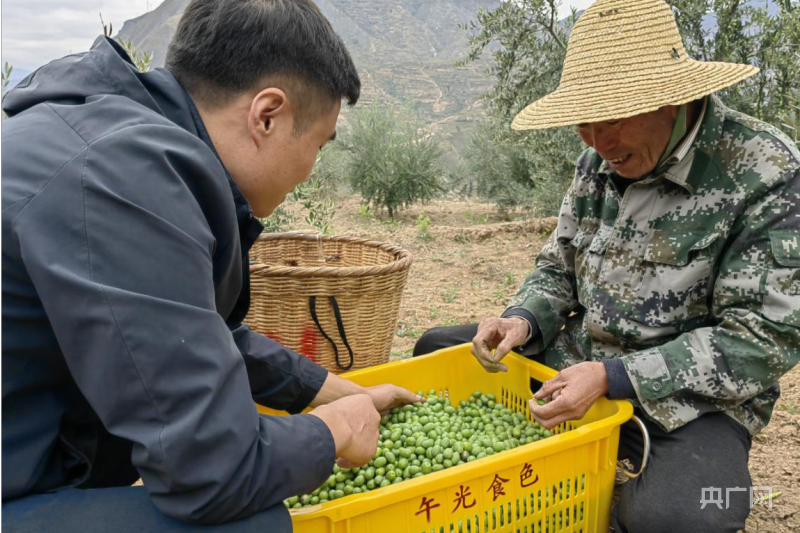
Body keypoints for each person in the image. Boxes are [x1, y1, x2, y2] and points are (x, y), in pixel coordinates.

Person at [1, 0, 420, 531]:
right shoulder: (123, 180)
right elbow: (214, 472)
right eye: (318, 144)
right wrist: (332, 431)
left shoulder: (109, 140)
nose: (311, 171)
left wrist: (327, 389)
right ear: (267, 115)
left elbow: (176, 333)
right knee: (250, 524)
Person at [414, 0, 799, 531]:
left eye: (612, 119)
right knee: (438, 349)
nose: (597, 142)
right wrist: (522, 319)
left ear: (672, 100)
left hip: (690, 402)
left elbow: (763, 337)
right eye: (584, 123)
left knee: (682, 517)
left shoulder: (764, 172)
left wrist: (615, 377)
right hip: (579, 363)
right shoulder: (599, 160)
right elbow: (558, 266)